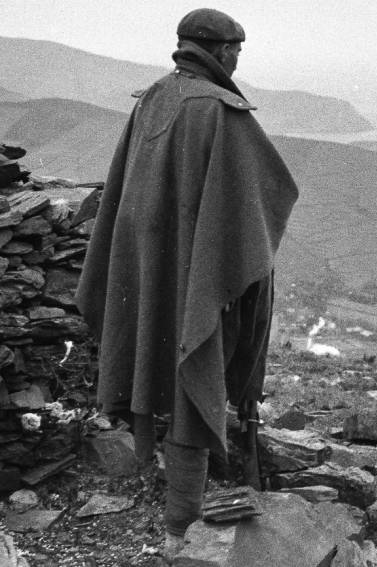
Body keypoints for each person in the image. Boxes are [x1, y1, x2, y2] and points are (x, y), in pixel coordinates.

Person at [75, 8, 298, 558]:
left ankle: (177, 517)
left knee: (162, 368)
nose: (238, 59)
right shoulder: (220, 113)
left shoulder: (154, 96)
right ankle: (181, 529)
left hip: (150, 267)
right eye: (236, 51)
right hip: (195, 275)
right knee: (193, 378)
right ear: (220, 52)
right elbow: (263, 200)